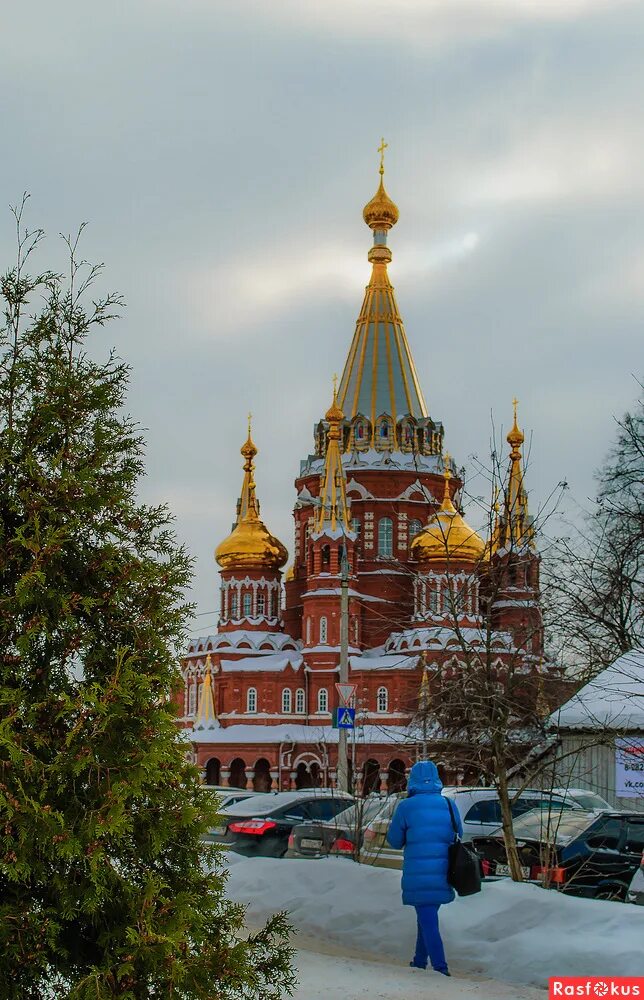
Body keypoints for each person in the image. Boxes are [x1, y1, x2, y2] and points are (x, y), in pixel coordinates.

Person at [387, 759, 462, 977]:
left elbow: (395, 840)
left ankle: (441, 968)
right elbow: (460, 832)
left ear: (413, 781)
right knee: (426, 915)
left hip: (418, 874)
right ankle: (419, 962)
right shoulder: (448, 804)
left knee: (428, 919)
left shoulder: (406, 807)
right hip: (443, 870)